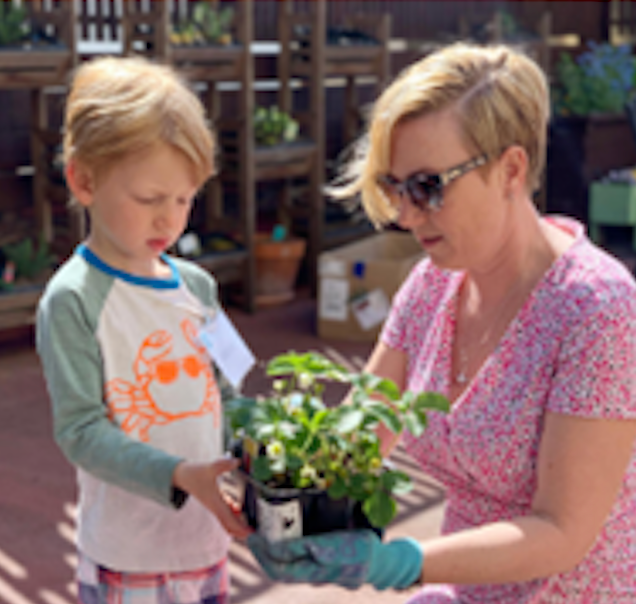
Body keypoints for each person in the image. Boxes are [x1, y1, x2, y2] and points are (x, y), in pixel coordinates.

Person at [246, 42, 636, 602]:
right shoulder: (432, 284)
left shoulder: (596, 308)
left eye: (428, 187)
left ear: (510, 169)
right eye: (393, 187)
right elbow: (361, 438)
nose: (405, 215)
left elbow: (563, 532)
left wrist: (399, 562)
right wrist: (270, 482)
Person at [36, 56, 252, 604]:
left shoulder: (198, 288)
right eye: (150, 199)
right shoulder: (74, 300)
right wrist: (184, 475)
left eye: (184, 200)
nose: (170, 220)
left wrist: (260, 446)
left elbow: (228, 388)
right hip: (127, 553)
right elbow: (80, 430)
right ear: (83, 180)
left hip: (205, 542)